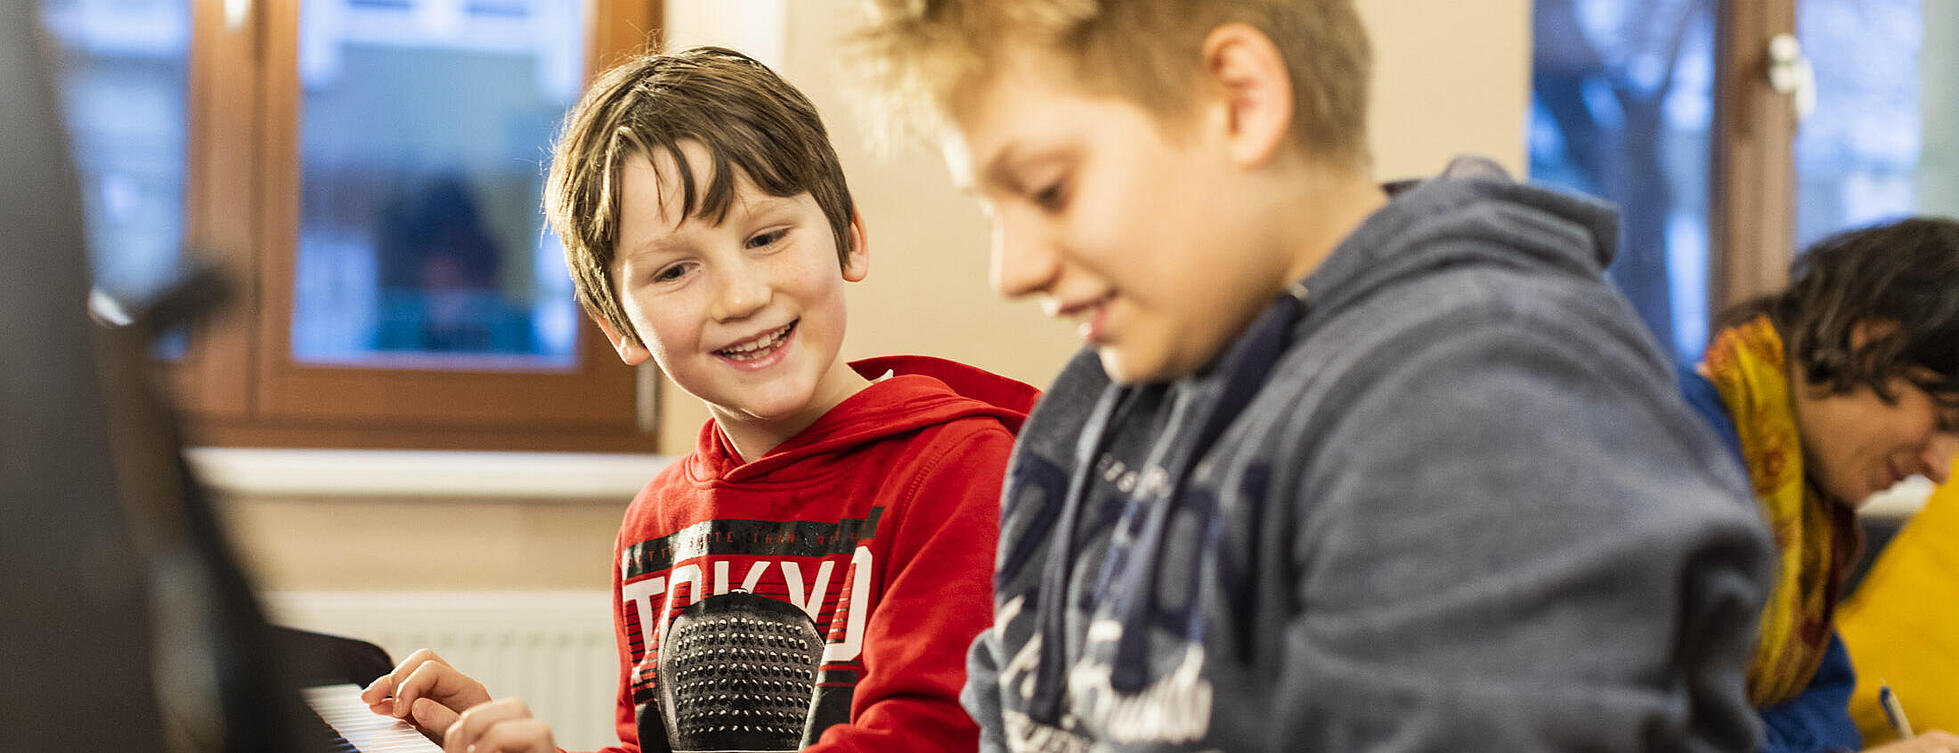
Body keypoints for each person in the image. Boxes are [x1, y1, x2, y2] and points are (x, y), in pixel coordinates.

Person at [851, 1, 1776, 750]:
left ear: (1239, 99)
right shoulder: (1098, 402)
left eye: (1048, 188)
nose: (1010, 269)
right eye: (991, 209)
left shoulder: (1480, 399)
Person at [359, 46, 1038, 753]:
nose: (741, 295)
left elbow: (921, 741)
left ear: (849, 238)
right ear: (619, 326)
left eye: (767, 236)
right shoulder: (654, 523)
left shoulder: (960, 474)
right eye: (676, 269)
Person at [1679, 217, 1959, 753]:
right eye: (1945, 421)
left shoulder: (1807, 513)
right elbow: (1640, 725)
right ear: (1873, 342)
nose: (1942, 469)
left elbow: (1824, 710)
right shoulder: (1670, 450)